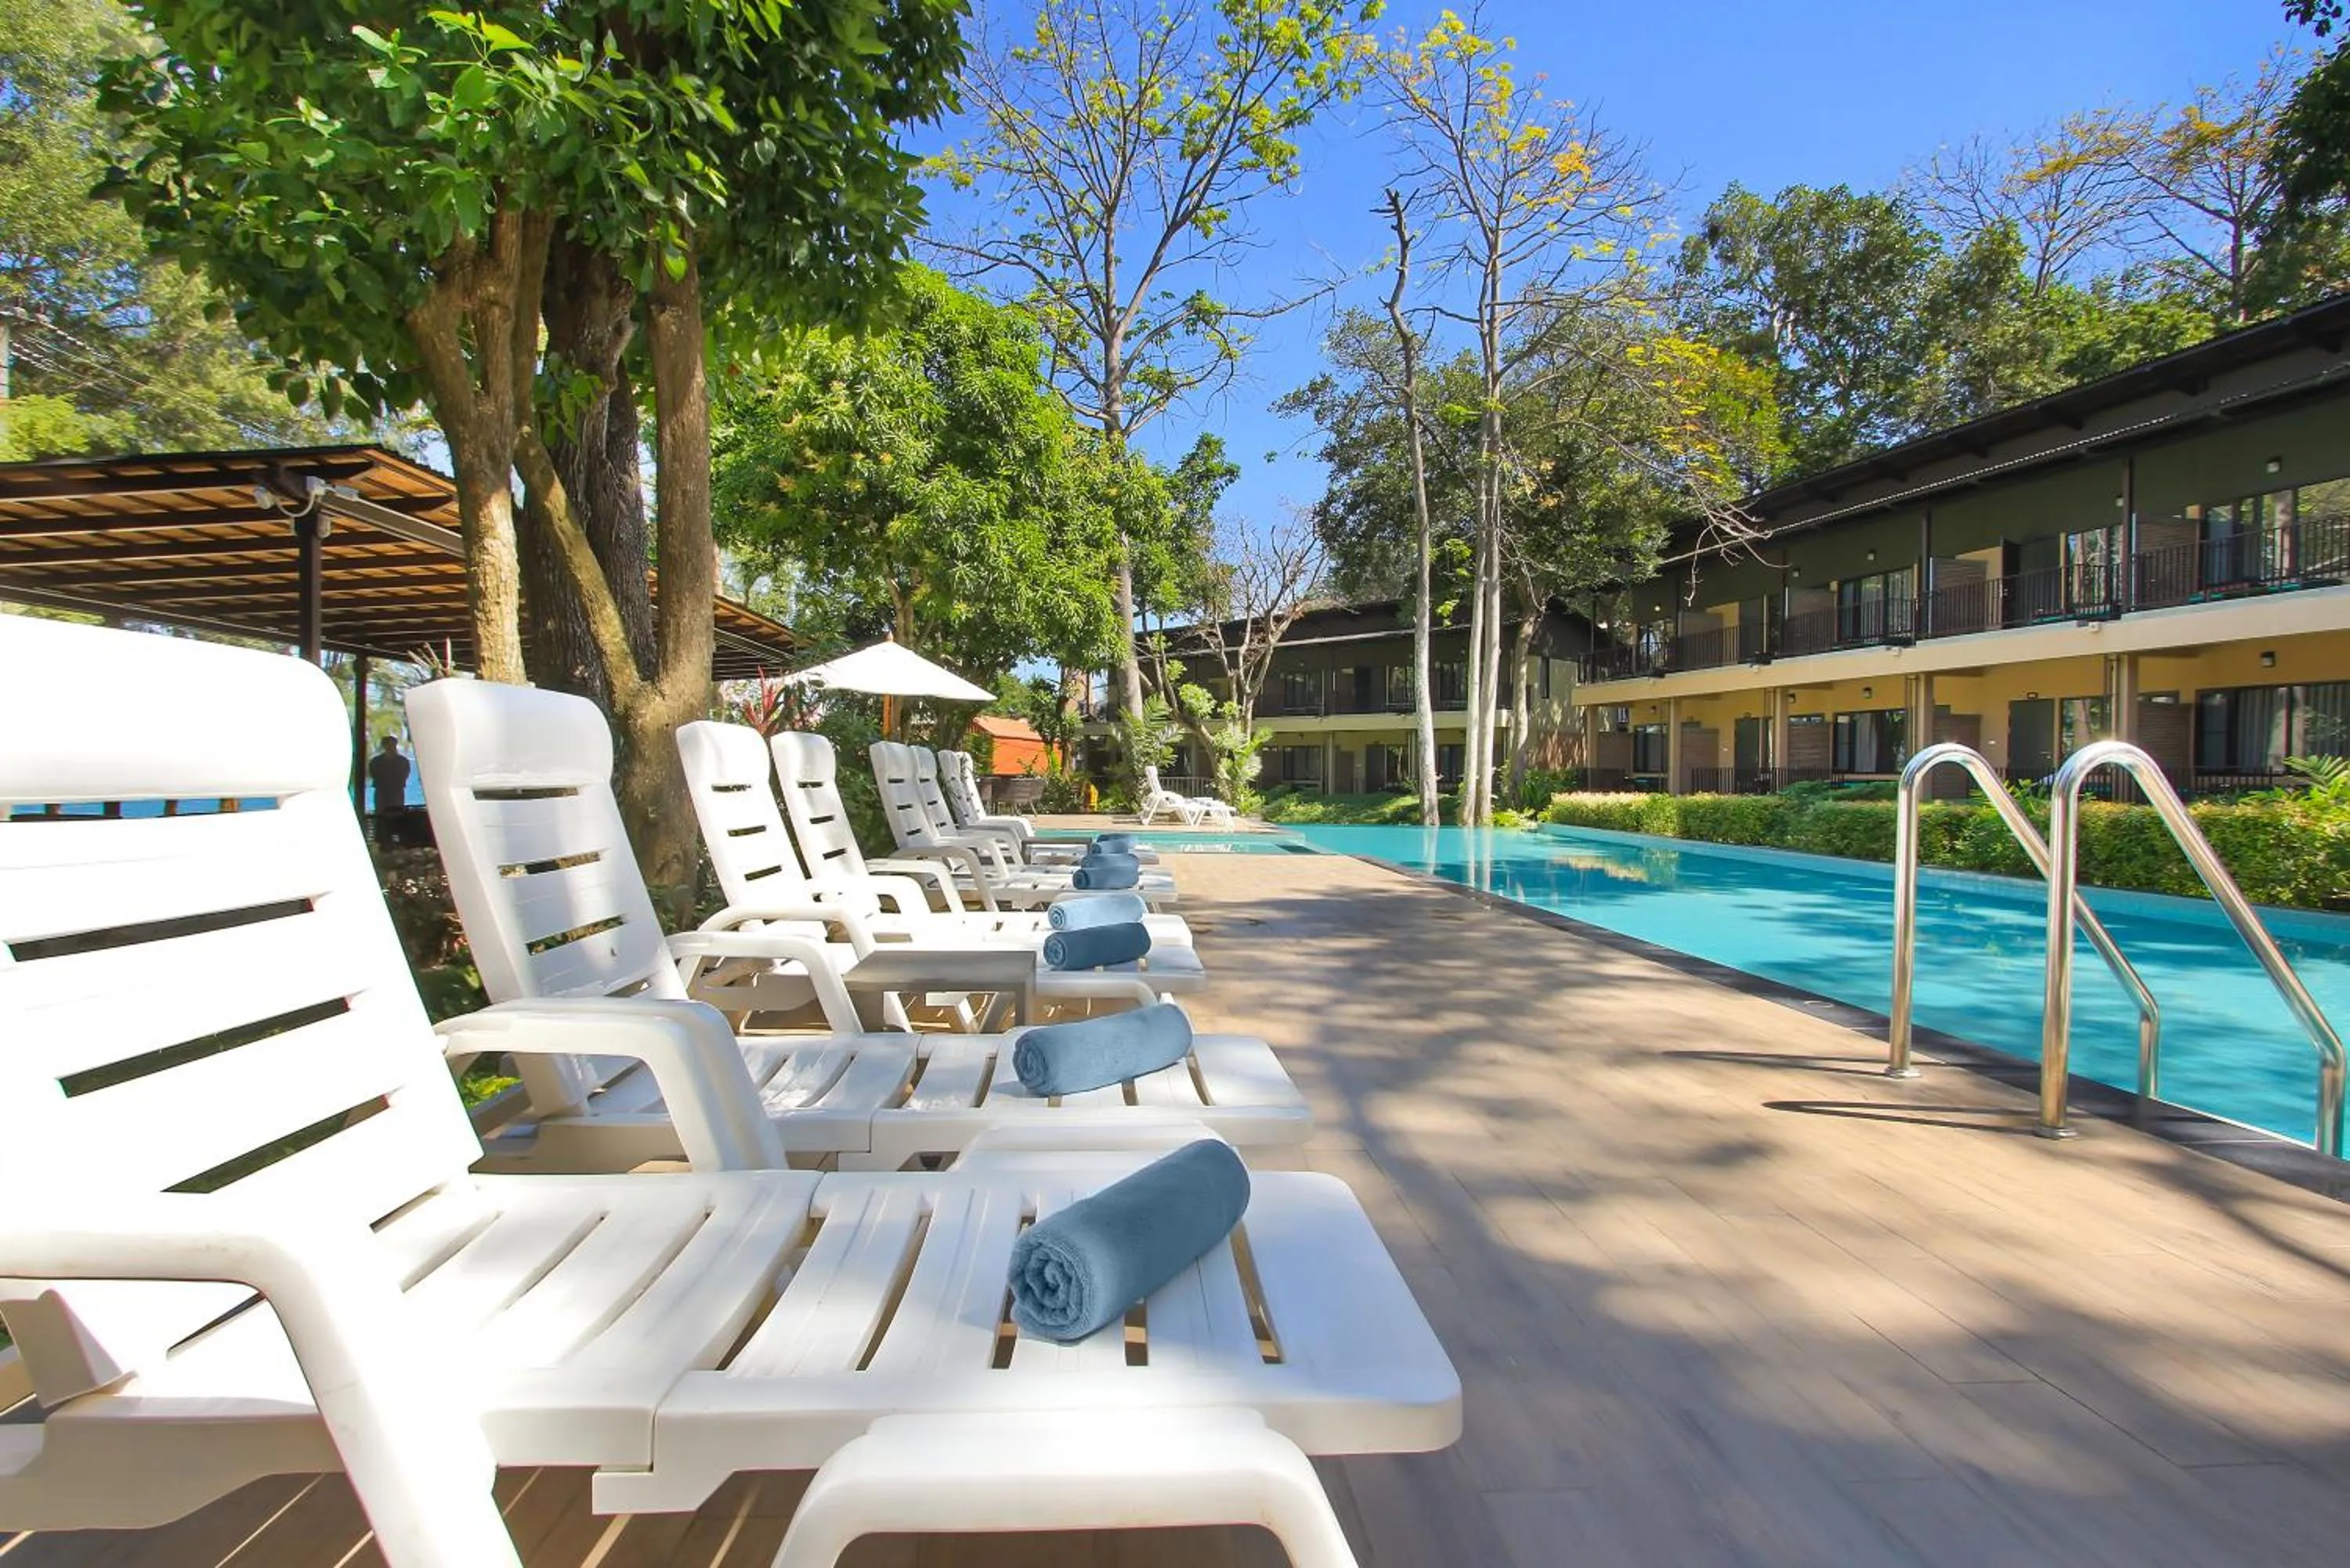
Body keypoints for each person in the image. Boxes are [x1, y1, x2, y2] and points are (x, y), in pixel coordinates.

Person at [367, 733, 413, 847]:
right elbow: (374, 775)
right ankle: (383, 842)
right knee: (382, 818)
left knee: (397, 817)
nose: (390, 747)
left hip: (396, 793)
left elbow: (404, 776)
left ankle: (398, 842)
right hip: (382, 794)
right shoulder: (376, 761)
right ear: (384, 746)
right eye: (388, 744)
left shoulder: (403, 761)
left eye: (392, 744)